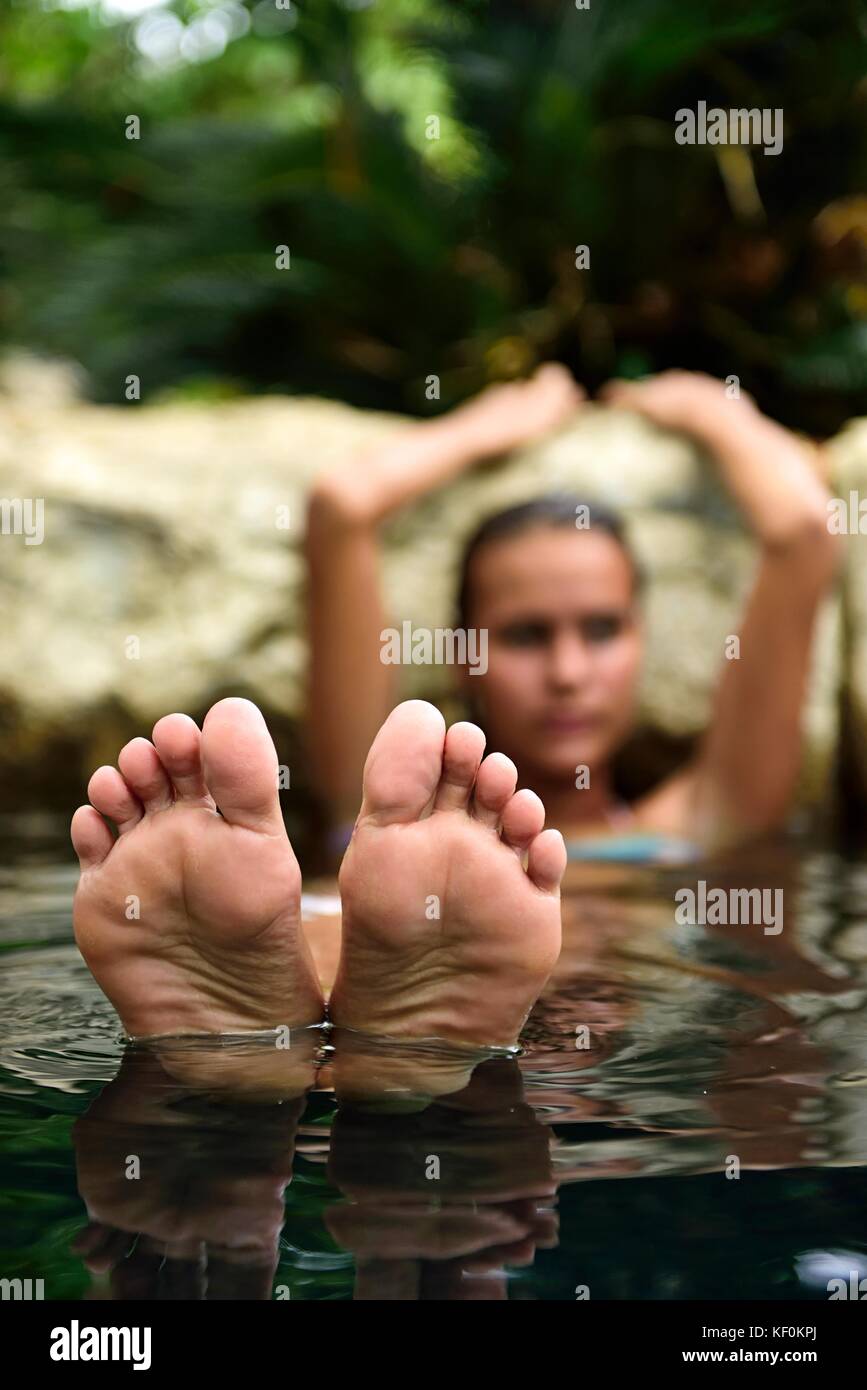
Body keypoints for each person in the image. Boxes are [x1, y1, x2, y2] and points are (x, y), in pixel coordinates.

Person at [305, 365, 840, 858]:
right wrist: (477, 430)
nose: (568, 673)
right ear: (464, 655)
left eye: (603, 630)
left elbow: (803, 531)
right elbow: (343, 505)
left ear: (641, 641)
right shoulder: (389, 813)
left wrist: (714, 412)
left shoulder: (698, 824)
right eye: (526, 635)